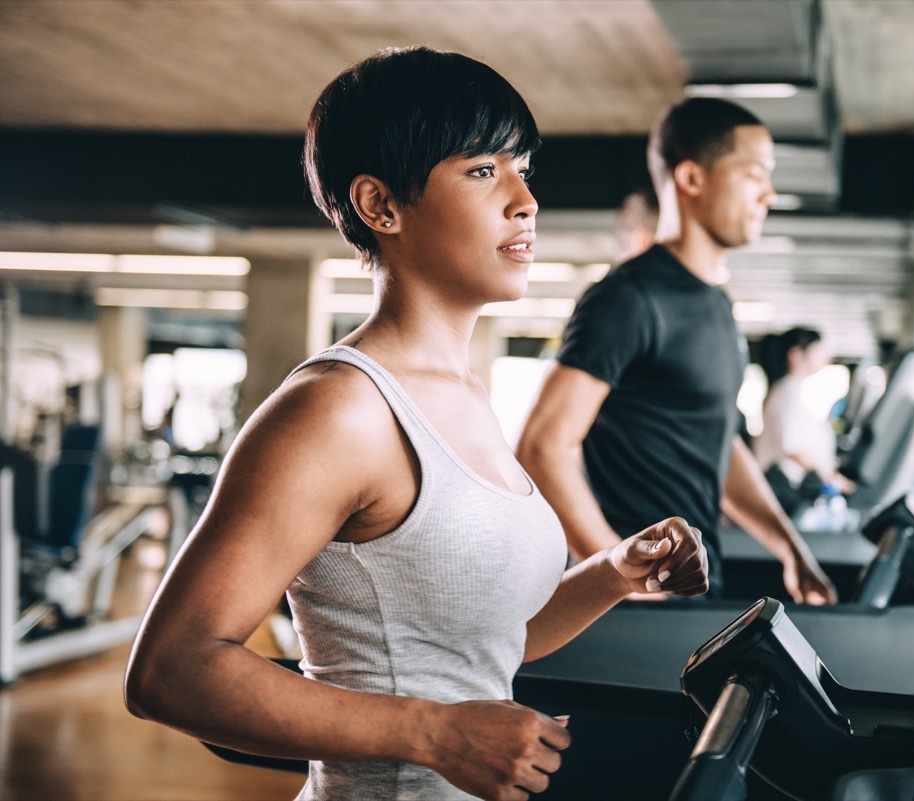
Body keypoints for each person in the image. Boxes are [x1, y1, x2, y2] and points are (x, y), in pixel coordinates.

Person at [123, 46, 708, 801]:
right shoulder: (338, 409)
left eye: (521, 165)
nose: (524, 198)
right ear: (380, 206)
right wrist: (432, 733)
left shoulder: (464, 392)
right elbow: (172, 668)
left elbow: (478, 646)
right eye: (481, 170)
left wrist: (614, 573)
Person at [515, 97, 835, 605]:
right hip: (641, 612)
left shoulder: (716, 303)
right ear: (691, 179)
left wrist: (791, 549)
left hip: (695, 592)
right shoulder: (628, 299)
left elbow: (719, 439)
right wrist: (622, 585)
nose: (769, 195)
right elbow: (541, 447)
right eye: (754, 174)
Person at [754, 326, 856, 517]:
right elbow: (792, 448)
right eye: (818, 348)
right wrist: (832, 479)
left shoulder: (793, 392)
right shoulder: (786, 393)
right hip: (782, 493)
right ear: (796, 354)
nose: (825, 355)